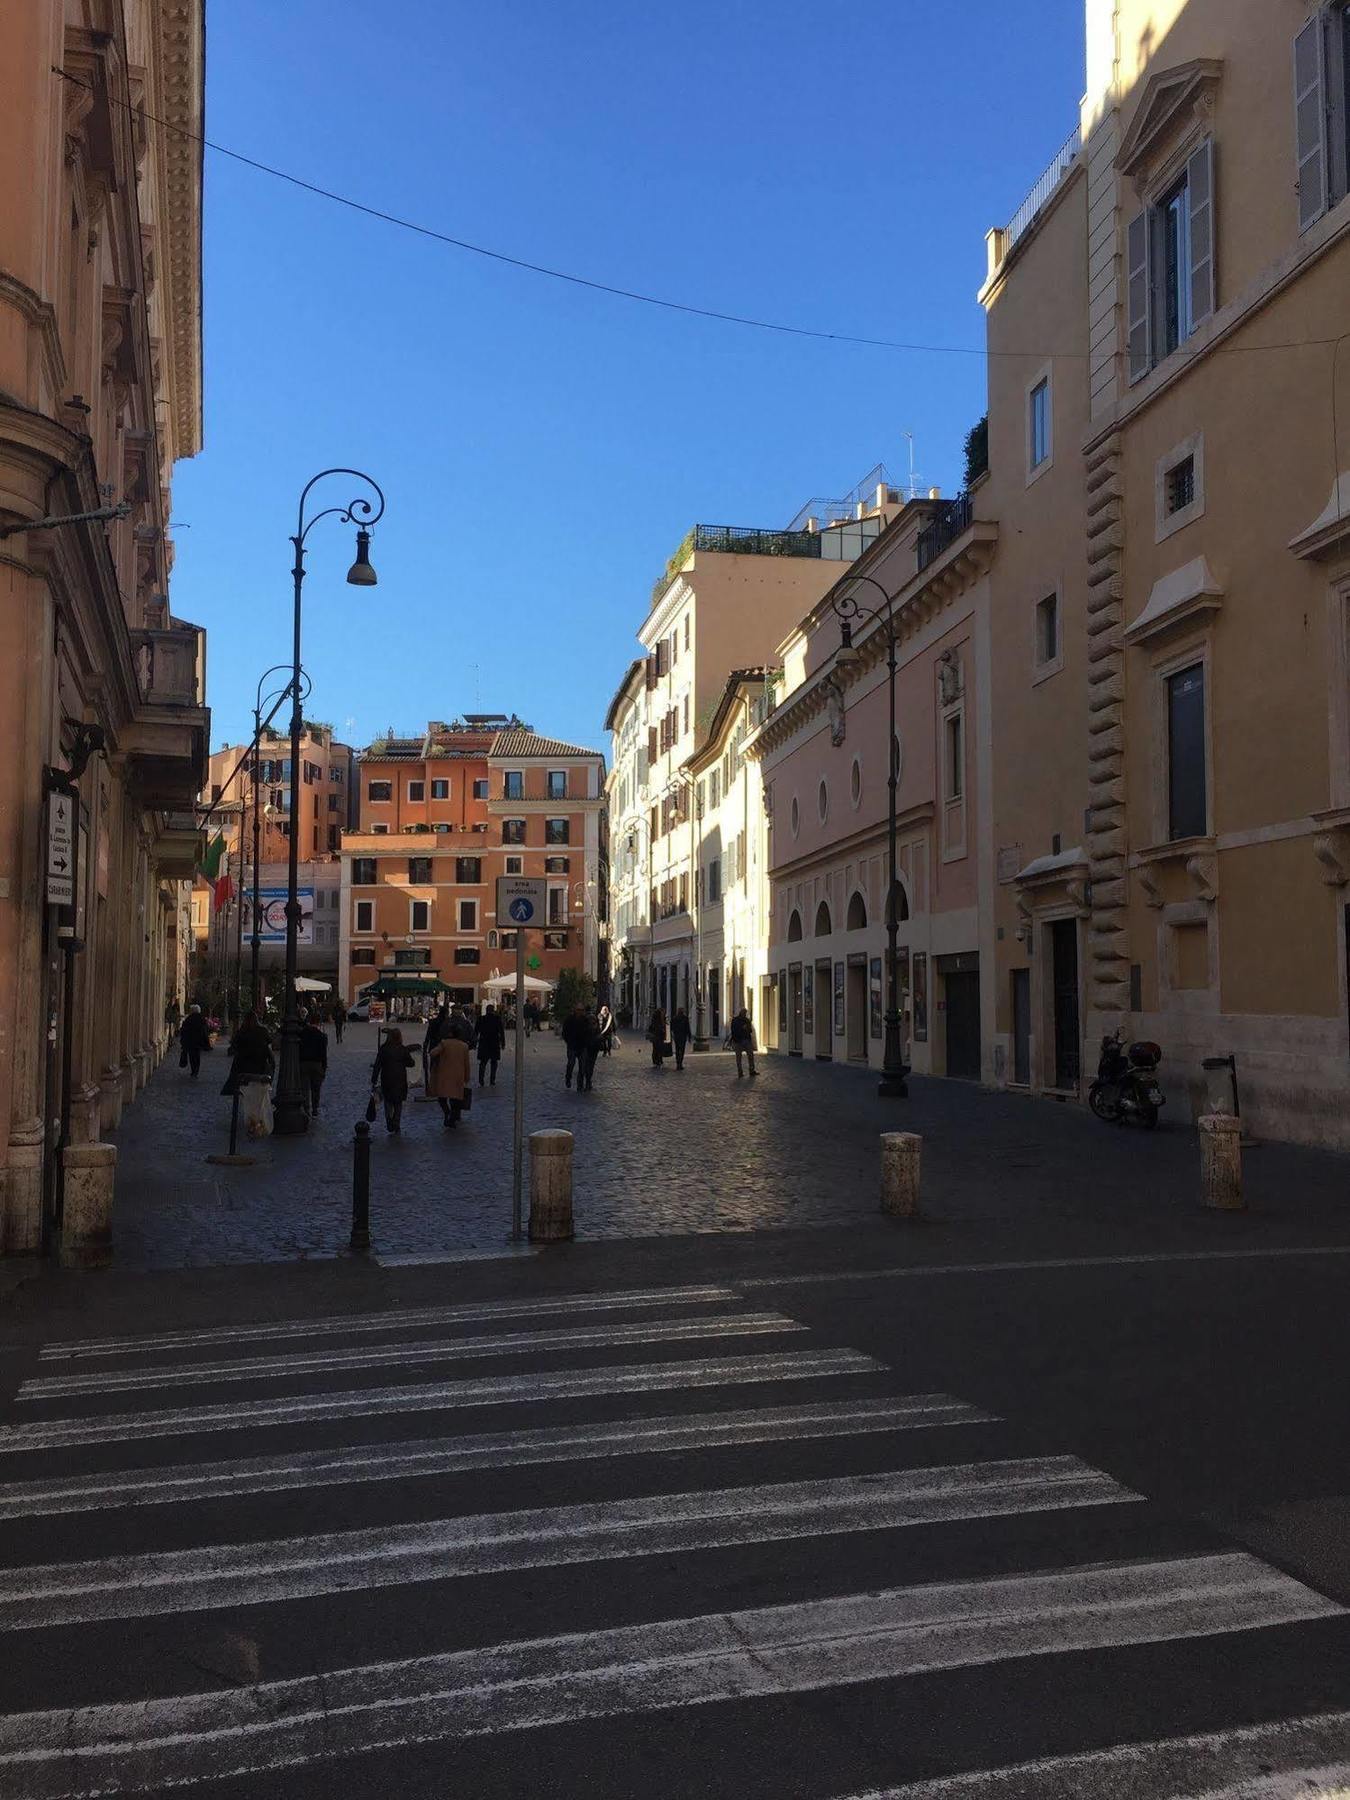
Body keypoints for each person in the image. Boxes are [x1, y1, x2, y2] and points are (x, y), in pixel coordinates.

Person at [370, 1027, 415, 1134]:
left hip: (387, 1079)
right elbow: (411, 1063)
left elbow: (377, 1065)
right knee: (398, 1103)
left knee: (388, 1102)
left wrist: (374, 1079)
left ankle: (389, 1122)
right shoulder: (402, 1049)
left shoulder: (384, 1049)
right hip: (400, 1079)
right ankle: (396, 1123)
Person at [428, 1028, 471, 1128]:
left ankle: (447, 1112)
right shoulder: (464, 1046)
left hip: (444, 1074)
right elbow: (467, 1064)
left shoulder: (444, 1043)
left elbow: (432, 1053)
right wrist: (467, 1077)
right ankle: (451, 1119)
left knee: (442, 1097)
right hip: (458, 1076)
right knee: (456, 1100)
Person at [297, 1010, 329, 1117]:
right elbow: (323, 1054)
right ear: (319, 1022)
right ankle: (315, 1109)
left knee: (305, 1088)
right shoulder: (322, 1036)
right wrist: (324, 1068)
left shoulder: (302, 1033)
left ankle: (306, 1109)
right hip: (317, 1064)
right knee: (316, 1088)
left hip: (304, 1063)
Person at [177, 1004, 211, 1079]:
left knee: (192, 1056)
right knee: (197, 1056)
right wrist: (206, 1042)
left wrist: (183, 1041)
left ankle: (193, 1071)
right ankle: (196, 1071)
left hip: (190, 1041)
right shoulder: (202, 1019)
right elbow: (205, 1031)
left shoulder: (188, 1019)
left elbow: (184, 1031)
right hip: (198, 1041)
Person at [423, 1004, 451, 1091]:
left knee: (433, 1066)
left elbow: (428, 1035)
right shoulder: (448, 1023)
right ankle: (442, 1084)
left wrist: (426, 1046)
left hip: (433, 1046)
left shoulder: (433, 1022)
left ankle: (433, 1083)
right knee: (444, 1066)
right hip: (444, 1047)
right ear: (446, 1013)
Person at [476, 1004, 505, 1087]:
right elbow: (501, 1032)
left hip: (484, 1042)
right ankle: (492, 1080)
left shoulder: (481, 1019)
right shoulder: (497, 1019)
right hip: (494, 1043)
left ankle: (481, 1080)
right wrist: (503, 1043)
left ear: (486, 1010)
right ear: (493, 1010)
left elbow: (476, 1031)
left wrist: (474, 1042)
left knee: (483, 1062)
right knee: (494, 1062)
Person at [562, 1003, 590, 1088]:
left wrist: (586, 1042)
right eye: (578, 1010)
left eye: (582, 1010)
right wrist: (568, 1041)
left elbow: (588, 1031)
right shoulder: (569, 1019)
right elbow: (565, 1032)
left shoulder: (585, 1020)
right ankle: (568, 1077)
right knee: (571, 1063)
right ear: (575, 1010)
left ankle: (580, 1084)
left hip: (582, 1046)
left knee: (582, 1067)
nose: (580, 1012)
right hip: (572, 1045)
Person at [730, 1006, 758, 1078]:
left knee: (750, 1055)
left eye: (745, 1013)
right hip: (738, 1041)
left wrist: (747, 1028)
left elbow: (750, 1030)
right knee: (739, 1057)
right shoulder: (735, 1020)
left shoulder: (747, 1020)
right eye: (744, 1013)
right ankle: (740, 1072)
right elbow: (733, 1030)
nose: (745, 1014)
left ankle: (751, 1070)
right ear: (741, 1013)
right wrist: (742, 1029)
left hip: (746, 1040)